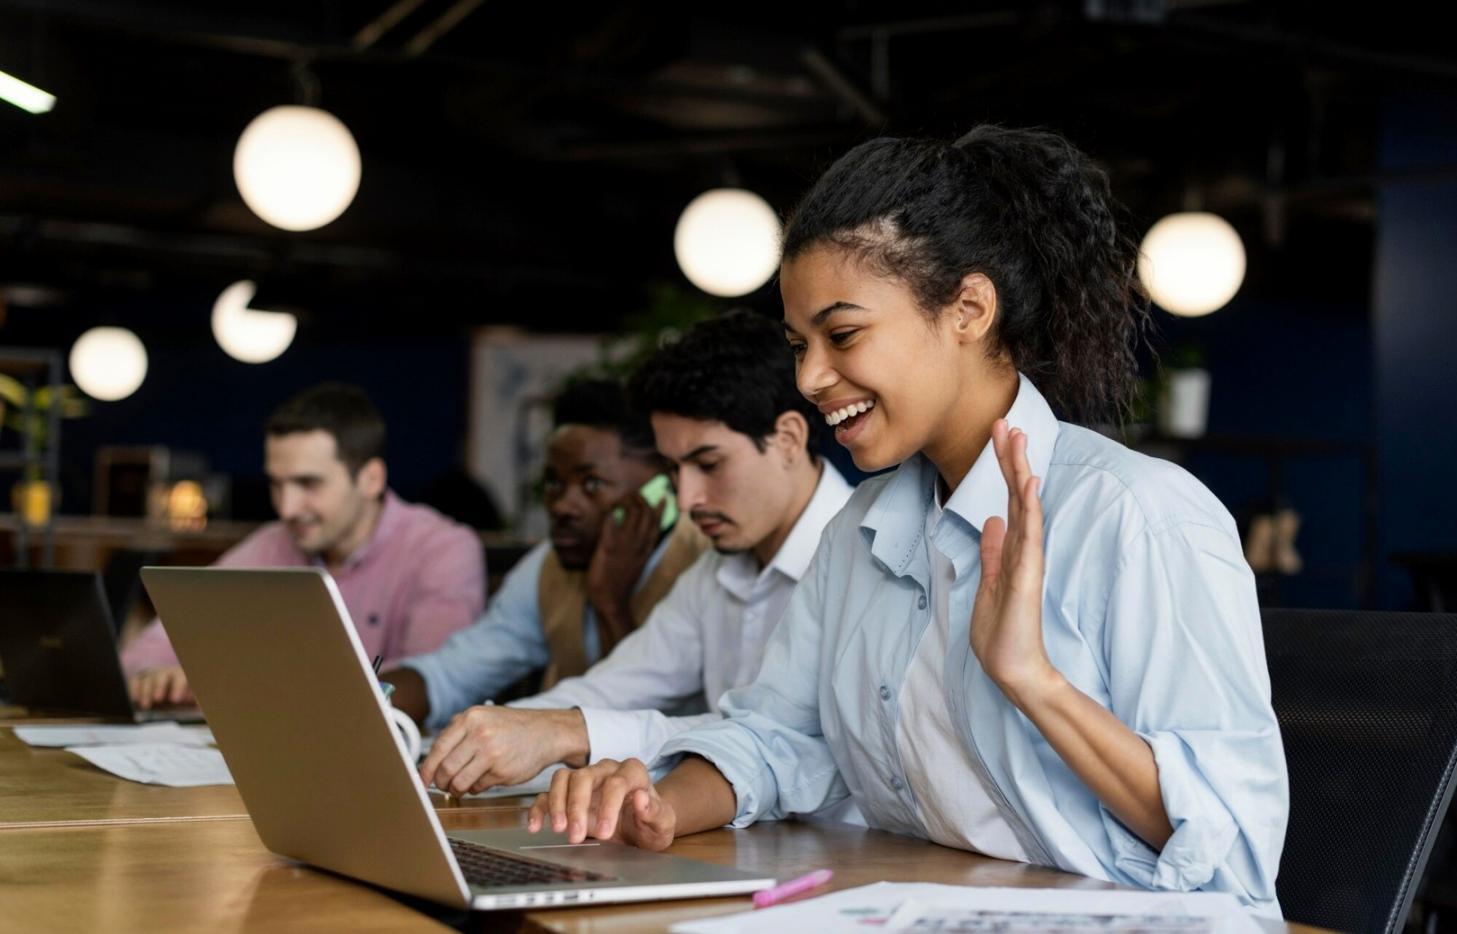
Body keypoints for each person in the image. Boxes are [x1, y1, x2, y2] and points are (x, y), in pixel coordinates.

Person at [527, 127, 1290, 913]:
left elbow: (1229, 845)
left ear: (967, 309)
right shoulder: (859, 532)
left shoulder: (1138, 518)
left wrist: (1033, 681)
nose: (811, 377)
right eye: (798, 344)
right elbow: (780, 732)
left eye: (843, 334)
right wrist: (659, 806)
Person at [416, 311, 854, 796]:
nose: (687, 499)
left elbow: (782, 740)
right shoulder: (715, 570)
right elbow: (612, 690)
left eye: (708, 464)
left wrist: (565, 732)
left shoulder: (865, 556)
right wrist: (483, 741)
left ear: (789, 438)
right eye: (673, 469)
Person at [123, 383, 485, 709]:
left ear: (371, 478)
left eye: (308, 483)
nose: (287, 507)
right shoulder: (271, 544)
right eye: (276, 484)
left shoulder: (443, 549)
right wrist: (155, 674)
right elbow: (148, 651)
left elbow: (432, 683)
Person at [383, 378, 710, 729]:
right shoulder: (548, 565)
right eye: (554, 484)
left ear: (661, 487)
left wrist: (609, 601)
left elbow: (638, 710)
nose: (564, 506)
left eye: (591, 484)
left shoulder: (701, 559)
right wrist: (369, 701)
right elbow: (453, 673)